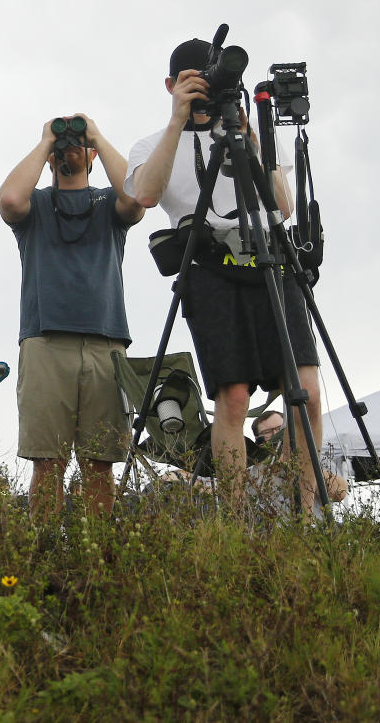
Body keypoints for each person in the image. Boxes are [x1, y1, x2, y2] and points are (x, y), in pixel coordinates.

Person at [126, 38, 321, 514]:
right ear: (172, 85)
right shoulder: (152, 143)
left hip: (269, 258)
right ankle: (238, 517)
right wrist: (178, 120)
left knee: (307, 392)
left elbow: (283, 205)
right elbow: (146, 196)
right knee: (232, 397)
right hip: (208, 266)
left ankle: (307, 509)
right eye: (192, 82)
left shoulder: (241, 131)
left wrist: (251, 140)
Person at [0, 115, 145, 518]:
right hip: (45, 339)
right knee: (48, 461)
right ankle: (44, 558)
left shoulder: (107, 204)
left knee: (100, 464)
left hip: (106, 340)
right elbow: (9, 199)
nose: (71, 146)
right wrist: (47, 140)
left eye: (82, 145)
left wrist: (94, 133)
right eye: (64, 145)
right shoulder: (37, 205)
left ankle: (95, 558)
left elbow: (136, 199)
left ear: (94, 155)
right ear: (49, 158)